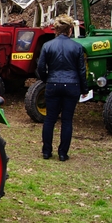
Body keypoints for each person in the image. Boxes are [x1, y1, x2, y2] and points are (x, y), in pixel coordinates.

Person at [37, 14, 88, 162]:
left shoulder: (47, 46)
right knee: (67, 120)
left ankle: (47, 151)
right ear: (70, 30)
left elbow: (41, 67)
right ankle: (63, 153)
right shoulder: (77, 47)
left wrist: (47, 79)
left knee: (50, 119)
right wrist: (84, 89)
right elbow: (82, 71)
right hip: (72, 85)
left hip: (53, 84)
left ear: (56, 30)